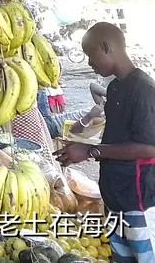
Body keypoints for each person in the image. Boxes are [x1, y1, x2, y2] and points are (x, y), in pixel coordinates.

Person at [55, 23, 155, 262]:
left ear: (105, 47)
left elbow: (149, 147)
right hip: (115, 195)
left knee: (144, 256)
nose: (90, 63)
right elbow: (117, 138)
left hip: (138, 199)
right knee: (121, 256)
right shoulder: (116, 87)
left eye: (91, 55)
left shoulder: (144, 90)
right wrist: (81, 147)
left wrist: (91, 151)